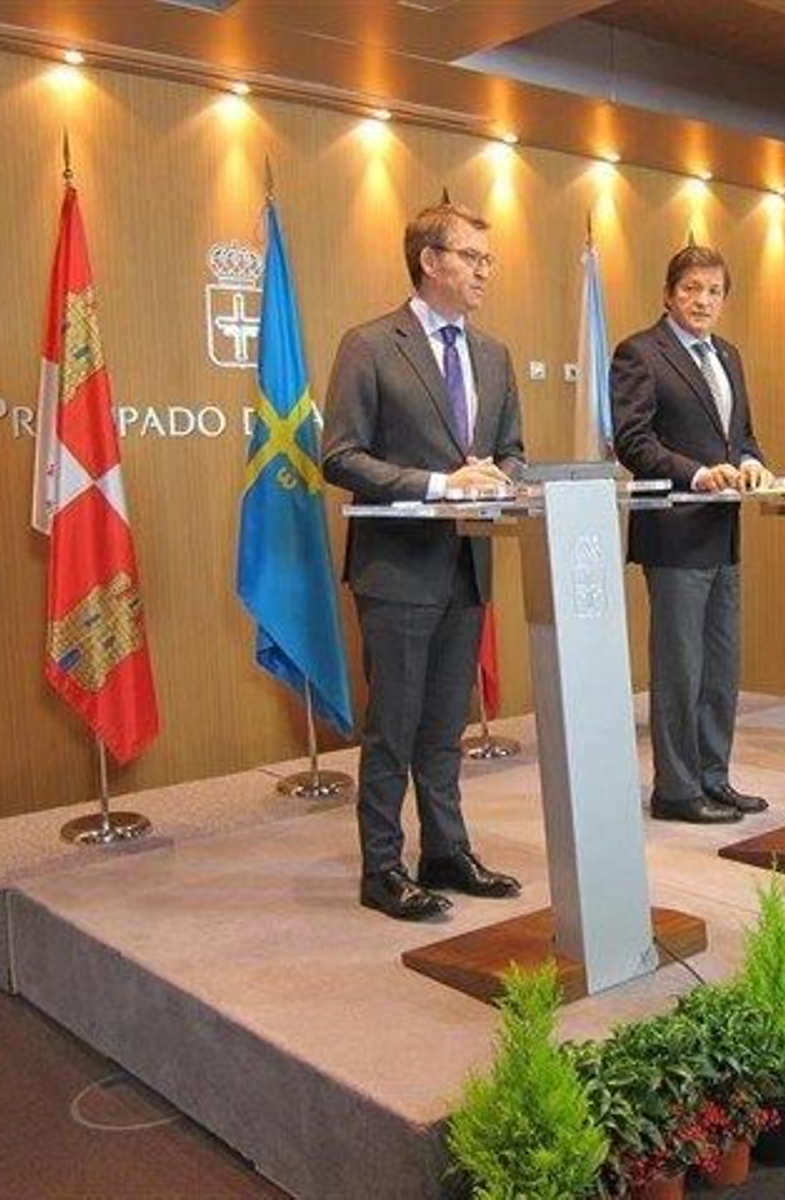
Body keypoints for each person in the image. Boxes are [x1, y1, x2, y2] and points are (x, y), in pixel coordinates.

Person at [322, 201, 526, 921]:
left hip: (468, 565)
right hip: (398, 570)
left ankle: (446, 850)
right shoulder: (371, 345)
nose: (484, 271)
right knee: (395, 725)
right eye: (471, 257)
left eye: (487, 259)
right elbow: (340, 456)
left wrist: (498, 477)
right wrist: (442, 485)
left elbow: (513, 451)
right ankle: (382, 867)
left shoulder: (495, 355)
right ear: (430, 260)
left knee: (444, 727)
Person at [611, 244, 775, 824]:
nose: (703, 300)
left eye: (713, 291)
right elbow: (633, 441)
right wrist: (699, 474)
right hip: (675, 532)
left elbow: (742, 435)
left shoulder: (728, 355)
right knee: (681, 669)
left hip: (723, 531)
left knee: (721, 666)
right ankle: (677, 791)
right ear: (668, 294)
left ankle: (713, 777)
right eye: (691, 289)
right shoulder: (639, 352)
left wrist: (752, 462)